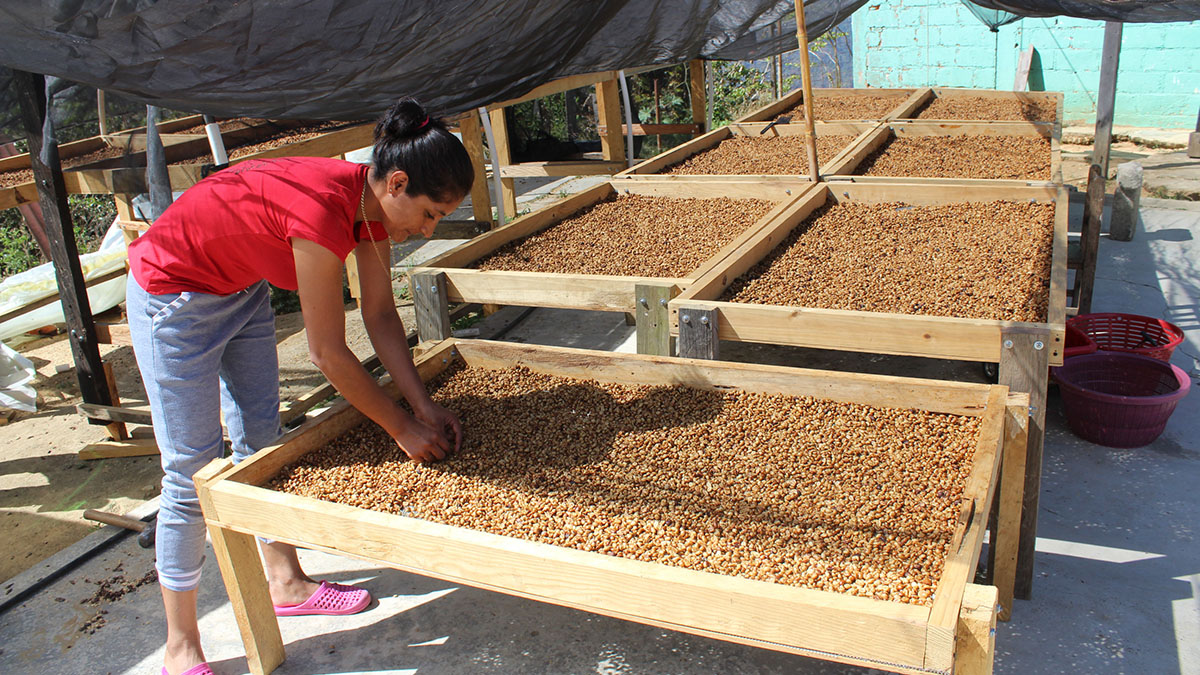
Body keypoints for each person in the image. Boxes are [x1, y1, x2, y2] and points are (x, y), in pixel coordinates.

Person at [126, 98, 473, 675]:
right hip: (174, 296)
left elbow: (383, 316)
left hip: (240, 290)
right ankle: (180, 646)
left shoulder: (370, 208)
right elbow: (328, 353)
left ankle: (285, 583)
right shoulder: (322, 211)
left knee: (263, 442)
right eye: (431, 214)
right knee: (191, 470)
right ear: (398, 182)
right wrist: (400, 428)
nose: (427, 229)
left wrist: (424, 406)